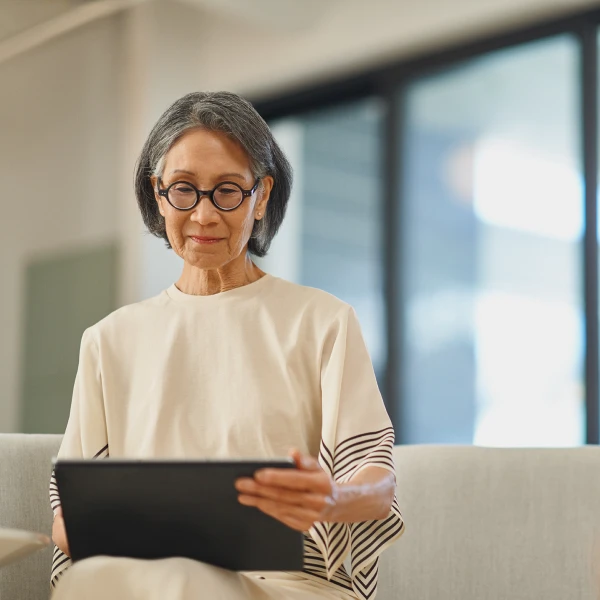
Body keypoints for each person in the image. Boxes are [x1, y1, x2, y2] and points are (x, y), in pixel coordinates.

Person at [49, 91, 404, 600]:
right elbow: (67, 521)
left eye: (228, 191)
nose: (204, 215)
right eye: (184, 190)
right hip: (144, 578)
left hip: (289, 586)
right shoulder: (109, 342)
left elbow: (379, 486)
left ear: (261, 197)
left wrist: (331, 498)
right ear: (157, 194)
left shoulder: (323, 322)